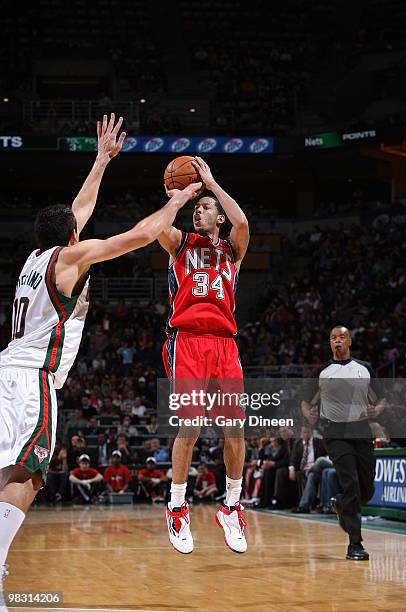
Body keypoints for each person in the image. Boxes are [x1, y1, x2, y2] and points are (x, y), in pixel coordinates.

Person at [0, 112, 202, 587]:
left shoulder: (36, 258)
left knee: (8, 471)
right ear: (70, 237)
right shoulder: (69, 256)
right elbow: (136, 237)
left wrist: (101, 160)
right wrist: (176, 202)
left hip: (8, 371)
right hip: (32, 378)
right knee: (27, 475)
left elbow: (79, 210)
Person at [159, 157, 249, 554]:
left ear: (219, 217)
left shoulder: (233, 249)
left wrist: (212, 184)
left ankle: (231, 505)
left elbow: (243, 223)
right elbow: (158, 228)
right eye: (197, 208)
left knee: (235, 430)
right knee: (190, 427)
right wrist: (180, 199)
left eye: (205, 207)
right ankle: (177, 505)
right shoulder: (181, 244)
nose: (200, 210)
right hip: (188, 340)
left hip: (225, 343)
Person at [301, 326, 385, 560]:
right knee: (352, 484)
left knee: (365, 491)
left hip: (361, 430)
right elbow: (305, 402)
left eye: (341, 337)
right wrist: (309, 415)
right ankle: (355, 545)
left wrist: (375, 410)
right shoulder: (322, 371)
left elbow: (382, 400)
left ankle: (339, 502)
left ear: (349, 341)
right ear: (330, 343)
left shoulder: (365, 369)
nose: (337, 341)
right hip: (335, 432)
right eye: (333, 338)